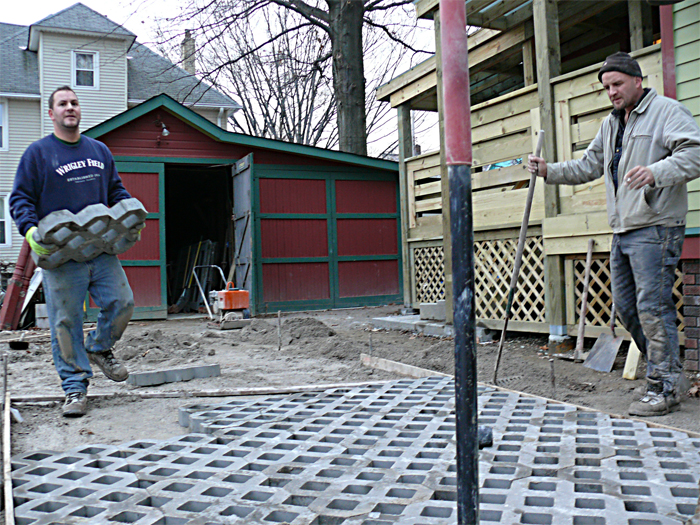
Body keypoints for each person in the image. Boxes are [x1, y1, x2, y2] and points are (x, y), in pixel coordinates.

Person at [527, 52, 700, 417]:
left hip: (656, 226)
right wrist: (548, 170)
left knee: (652, 308)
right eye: (607, 87)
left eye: (617, 84)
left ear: (638, 80)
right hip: (623, 228)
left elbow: (695, 154)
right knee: (626, 307)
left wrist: (656, 172)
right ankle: (668, 372)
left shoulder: (666, 112)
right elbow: (588, 165)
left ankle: (664, 386)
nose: (612, 92)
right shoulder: (611, 124)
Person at [10, 86, 136, 418]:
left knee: (122, 302)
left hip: (100, 248)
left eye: (74, 103)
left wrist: (128, 215)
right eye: (62, 104)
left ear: (80, 111)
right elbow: (20, 198)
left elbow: (115, 190)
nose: (70, 108)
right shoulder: (38, 154)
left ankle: (98, 347)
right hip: (61, 254)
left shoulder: (99, 151)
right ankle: (75, 389)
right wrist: (30, 230)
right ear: (51, 113)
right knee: (65, 323)